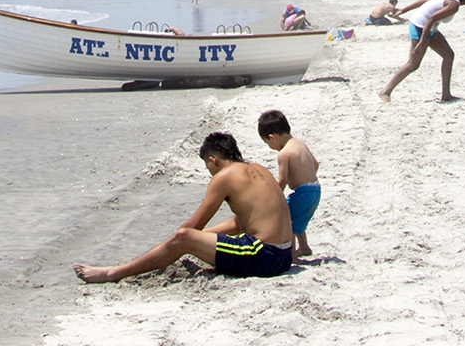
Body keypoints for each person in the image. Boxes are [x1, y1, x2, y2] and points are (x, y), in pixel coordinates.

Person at [74, 132, 293, 283]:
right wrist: (188, 241)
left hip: (264, 257)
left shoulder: (224, 177)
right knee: (185, 239)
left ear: (213, 160)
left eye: (207, 166)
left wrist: (170, 244)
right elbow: (239, 222)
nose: (209, 171)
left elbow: (192, 228)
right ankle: (127, 266)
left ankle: (114, 273)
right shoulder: (258, 169)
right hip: (283, 256)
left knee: (181, 237)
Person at [378, 0, 465, 103]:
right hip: (420, 27)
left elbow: (426, 1)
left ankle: (446, 95)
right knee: (413, 64)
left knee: (448, 55)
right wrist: (422, 41)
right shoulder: (453, 5)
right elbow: (431, 18)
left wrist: (403, 10)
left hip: (429, 27)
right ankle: (386, 92)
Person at [258, 110, 319, 258]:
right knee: (297, 218)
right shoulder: (300, 143)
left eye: (267, 143)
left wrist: (274, 197)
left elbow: (283, 180)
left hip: (303, 192)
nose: (269, 146)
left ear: (272, 137)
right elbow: (315, 164)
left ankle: (291, 256)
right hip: (315, 189)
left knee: (287, 220)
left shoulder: (284, 154)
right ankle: (304, 248)